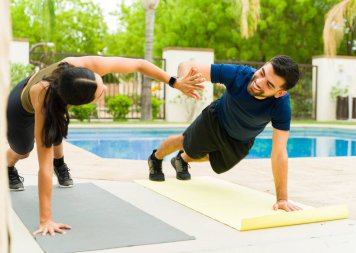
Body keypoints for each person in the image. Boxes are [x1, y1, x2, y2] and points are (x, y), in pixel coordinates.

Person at [7, 56, 205, 236]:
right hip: (20, 109)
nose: (104, 90)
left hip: (53, 97)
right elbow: (44, 166)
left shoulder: (84, 67)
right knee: (23, 151)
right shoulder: (44, 98)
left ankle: (62, 164)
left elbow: (138, 64)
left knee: (56, 130)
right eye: (101, 94)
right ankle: (7, 166)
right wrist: (45, 220)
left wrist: (175, 82)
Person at [148, 55, 302, 212]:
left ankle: (181, 159)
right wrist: (183, 79)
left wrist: (282, 199)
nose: (259, 82)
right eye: (262, 73)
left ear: (280, 93)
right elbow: (186, 65)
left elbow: (279, 153)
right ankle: (155, 158)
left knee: (215, 160)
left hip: (241, 140)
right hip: (215, 120)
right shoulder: (239, 75)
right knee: (184, 142)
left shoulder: (281, 106)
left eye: (269, 84)